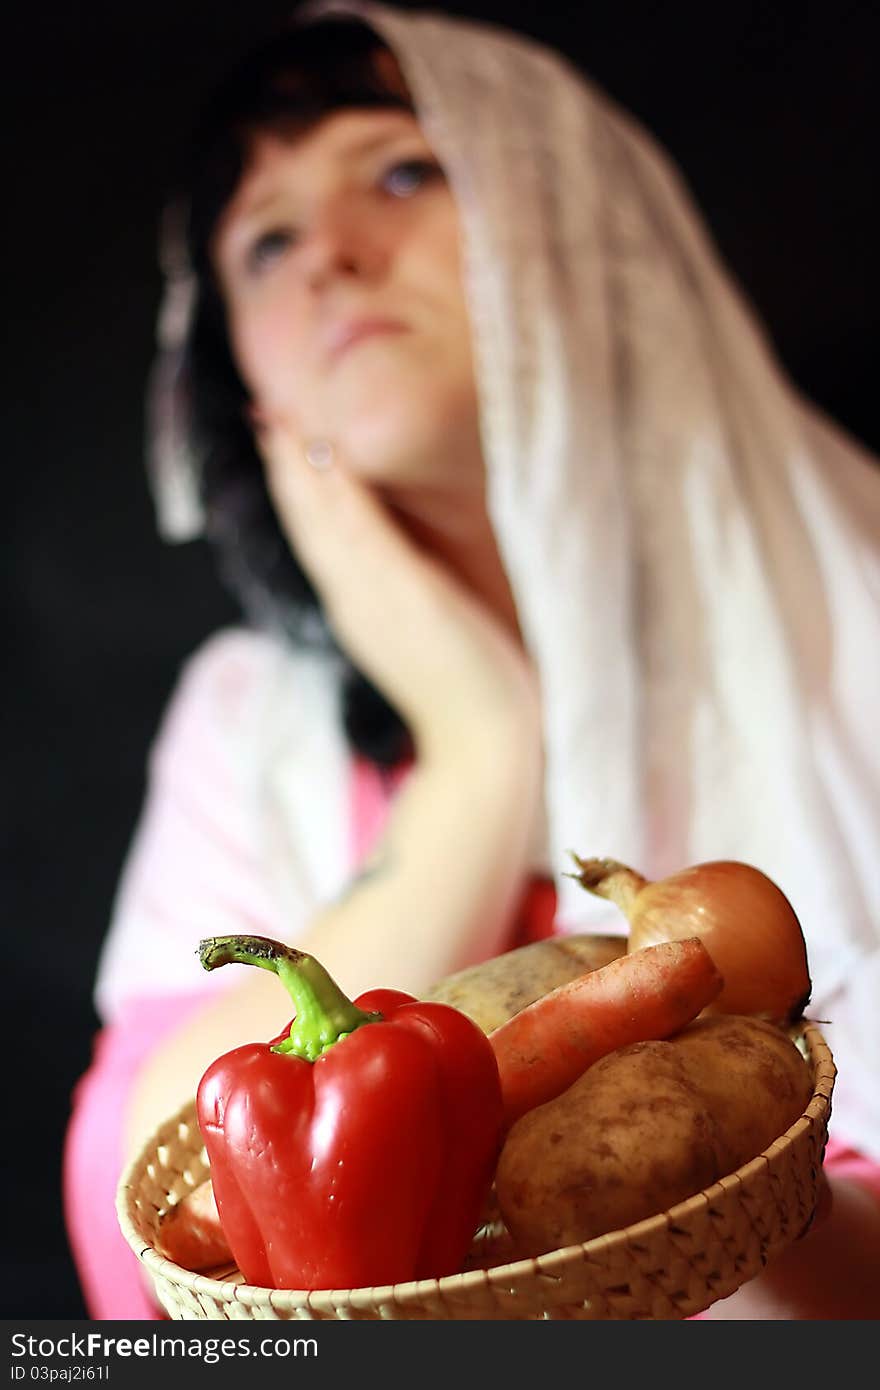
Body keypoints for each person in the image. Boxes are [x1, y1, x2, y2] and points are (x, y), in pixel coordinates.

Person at [64, 0, 880, 1321]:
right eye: (264, 240)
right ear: (248, 392)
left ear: (584, 233)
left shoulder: (862, 636)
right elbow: (148, 1258)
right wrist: (479, 742)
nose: (328, 252)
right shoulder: (244, 716)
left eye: (402, 169)